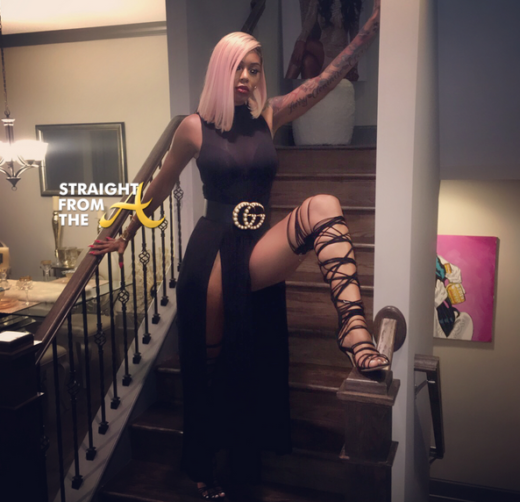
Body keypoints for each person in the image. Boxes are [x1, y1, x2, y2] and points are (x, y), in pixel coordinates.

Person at [90, 1, 385, 498]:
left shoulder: (270, 116)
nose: (247, 76)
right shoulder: (192, 128)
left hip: (257, 243)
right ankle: (204, 467)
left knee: (324, 206)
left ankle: (355, 332)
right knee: (211, 367)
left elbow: (326, 80)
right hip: (212, 248)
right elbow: (158, 186)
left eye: (254, 68)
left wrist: (369, 31)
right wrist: (125, 232)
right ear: (220, 70)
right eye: (238, 67)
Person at [285, 0, 363, 80]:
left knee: (305, 44)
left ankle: (285, 85)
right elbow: (309, 21)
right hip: (322, 52)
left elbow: (355, 38)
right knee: (307, 61)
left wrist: (353, 68)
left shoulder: (352, 3)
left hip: (339, 56)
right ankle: (288, 85)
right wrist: (301, 40)